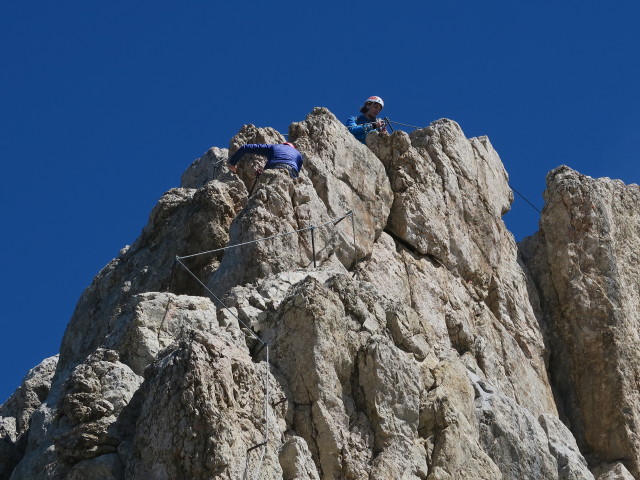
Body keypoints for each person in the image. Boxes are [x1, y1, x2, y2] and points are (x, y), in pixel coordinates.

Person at [228, 142, 303, 178]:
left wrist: (232, 163)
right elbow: (297, 171)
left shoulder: (274, 147)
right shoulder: (298, 154)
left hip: (273, 167)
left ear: (283, 144)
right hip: (291, 171)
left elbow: (245, 147)